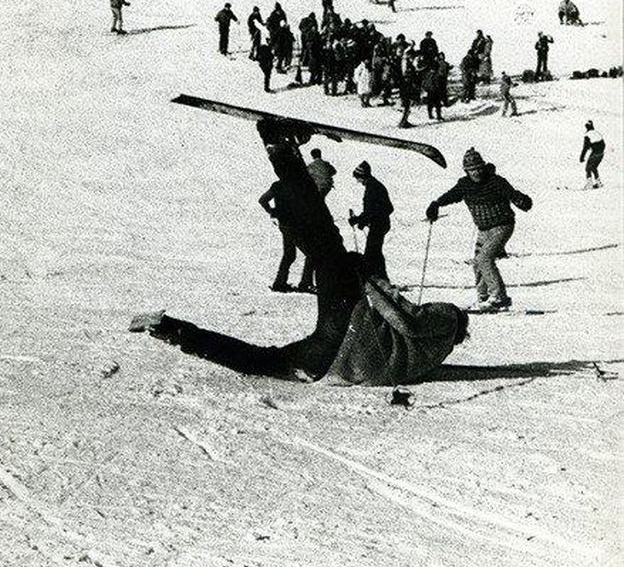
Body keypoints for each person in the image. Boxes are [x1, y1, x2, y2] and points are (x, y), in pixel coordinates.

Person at [130, 118, 468, 385]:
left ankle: (280, 147)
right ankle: (171, 329)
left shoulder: (444, 320)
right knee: (259, 360)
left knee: (325, 240)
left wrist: (367, 278)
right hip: (325, 365)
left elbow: (403, 316)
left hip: (346, 325)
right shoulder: (431, 357)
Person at [426, 148, 532, 311]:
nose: (476, 173)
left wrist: (521, 200)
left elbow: (512, 194)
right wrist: (436, 204)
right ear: (466, 171)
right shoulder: (465, 185)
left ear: (483, 167)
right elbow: (451, 195)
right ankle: (484, 298)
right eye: (472, 170)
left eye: (478, 168)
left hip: (502, 226)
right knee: (477, 263)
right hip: (484, 229)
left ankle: (499, 297)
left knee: (484, 259)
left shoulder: (495, 181)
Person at [297, 149, 337, 293]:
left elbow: (304, 174)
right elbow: (334, 171)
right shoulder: (325, 163)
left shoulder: (311, 166)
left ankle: (306, 282)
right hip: (326, 188)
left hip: (317, 192)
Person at [349, 161, 394, 279]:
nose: (358, 181)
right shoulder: (373, 185)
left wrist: (360, 220)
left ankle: (369, 278)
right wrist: (362, 220)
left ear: (363, 176)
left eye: (358, 178)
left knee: (371, 252)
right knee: (376, 251)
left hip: (378, 225)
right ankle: (381, 277)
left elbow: (374, 209)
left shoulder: (373, 188)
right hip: (380, 224)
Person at [259, 179, 300, 292]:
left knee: (289, 254)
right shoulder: (297, 185)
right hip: (296, 223)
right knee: (294, 254)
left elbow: (263, 200)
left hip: (284, 222)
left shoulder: (277, 185)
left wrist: (272, 211)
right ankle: (280, 282)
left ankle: (280, 282)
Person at [579, 120, 605, 189]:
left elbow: (585, 148)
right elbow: (603, 144)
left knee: (588, 168)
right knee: (594, 167)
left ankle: (589, 183)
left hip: (595, 153)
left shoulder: (588, 135)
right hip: (601, 153)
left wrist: (582, 157)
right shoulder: (597, 133)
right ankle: (598, 182)